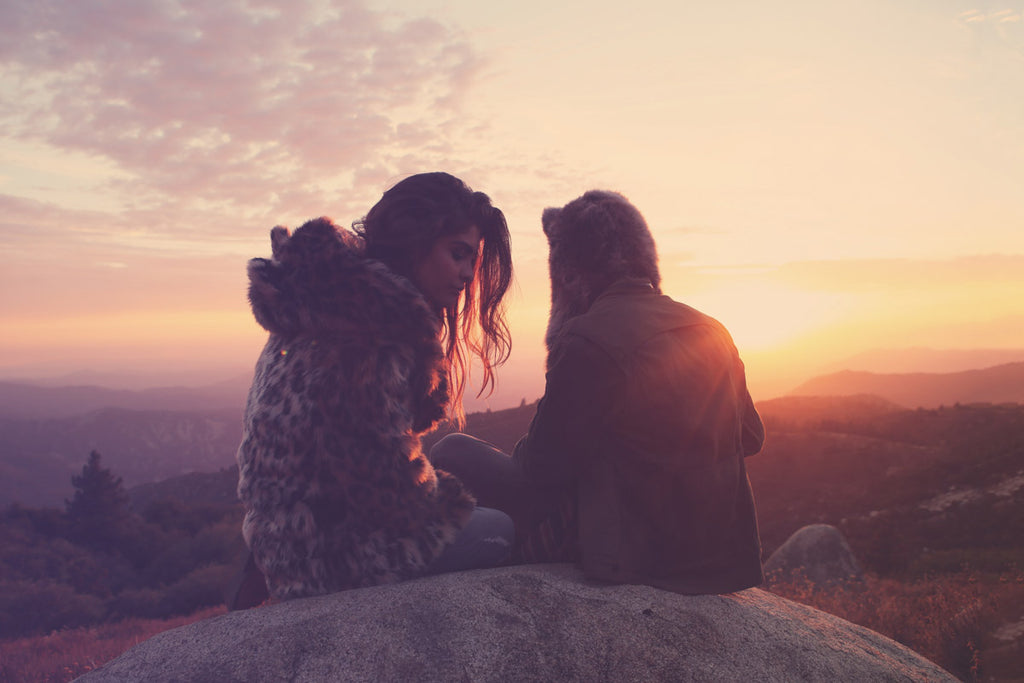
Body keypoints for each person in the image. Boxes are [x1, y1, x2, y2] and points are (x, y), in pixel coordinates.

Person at [432, 189, 765, 595]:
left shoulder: (588, 337)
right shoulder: (712, 329)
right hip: (724, 560)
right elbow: (751, 437)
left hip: (640, 558)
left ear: (569, 272)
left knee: (453, 451)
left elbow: (540, 470)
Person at [231, 172, 515, 607]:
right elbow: (382, 482)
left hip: (285, 537)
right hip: (333, 557)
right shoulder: (376, 334)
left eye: (471, 260)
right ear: (415, 242)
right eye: (458, 254)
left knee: (458, 453)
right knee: (500, 529)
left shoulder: (334, 297)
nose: (465, 275)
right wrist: (451, 508)